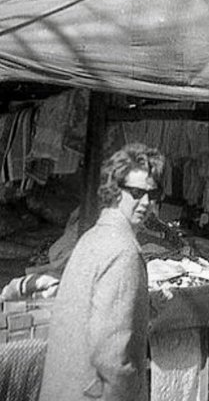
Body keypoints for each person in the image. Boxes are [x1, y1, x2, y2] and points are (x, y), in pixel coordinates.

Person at [39, 142, 165, 401]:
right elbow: (112, 354)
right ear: (115, 191)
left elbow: (97, 315)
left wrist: (144, 307)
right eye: (136, 192)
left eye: (151, 195)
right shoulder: (123, 250)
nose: (145, 202)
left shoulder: (93, 237)